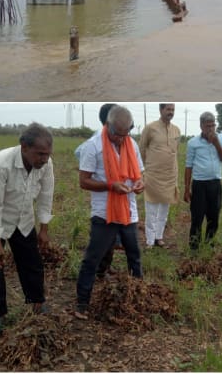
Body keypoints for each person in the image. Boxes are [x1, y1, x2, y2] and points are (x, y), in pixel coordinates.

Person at [75, 105, 145, 320]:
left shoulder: (131, 144)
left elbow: (139, 174)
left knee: (134, 255)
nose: (121, 140)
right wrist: (110, 185)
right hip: (104, 213)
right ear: (108, 126)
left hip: (128, 211)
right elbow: (84, 182)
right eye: (117, 135)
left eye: (126, 134)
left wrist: (141, 183)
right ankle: (82, 303)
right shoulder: (92, 147)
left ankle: (139, 297)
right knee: (92, 258)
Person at [0, 123, 55, 333]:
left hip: (24, 220)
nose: (44, 159)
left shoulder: (46, 164)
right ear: (24, 147)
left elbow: (46, 196)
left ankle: (37, 302)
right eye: (39, 154)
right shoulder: (0, 164)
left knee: (32, 263)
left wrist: (44, 229)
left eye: (47, 154)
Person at [75, 103, 120, 279]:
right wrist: (95, 168)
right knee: (101, 239)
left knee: (112, 237)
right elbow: (79, 152)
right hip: (103, 197)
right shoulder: (95, 142)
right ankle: (96, 272)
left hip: (117, 197)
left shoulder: (119, 138)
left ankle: (105, 268)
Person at [184, 111, 222, 250]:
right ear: (201, 126)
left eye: (213, 125)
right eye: (207, 126)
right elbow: (188, 166)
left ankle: (209, 245)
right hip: (199, 185)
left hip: (215, 184)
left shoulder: (221, 139)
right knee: (197, 218)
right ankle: (194, 248)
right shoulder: (193, 143)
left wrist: (216, 144)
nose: (211, 129)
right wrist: (187, 189)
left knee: (214, 217)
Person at [139, 104, 181, 248]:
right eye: (168, 109)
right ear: (161, 110)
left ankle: (159, 237)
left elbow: (176, 151)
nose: (171, 112)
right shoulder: (150, 128)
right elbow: (142, 150)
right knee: (151, 210)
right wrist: (145, 170)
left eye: (173, 110)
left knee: (164, 209)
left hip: (170, 176)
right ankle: (150, 241)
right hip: (153, 176)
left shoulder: (176, 130)